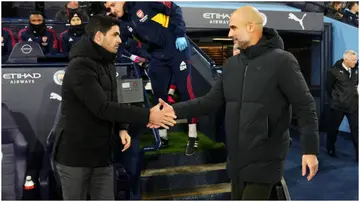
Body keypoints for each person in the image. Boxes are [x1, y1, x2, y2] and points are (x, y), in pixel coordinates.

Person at [154, 6, 320, 200]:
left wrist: (309, 150)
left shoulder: (282, 61)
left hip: (265, 159)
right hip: (236, 159)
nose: (229, 33)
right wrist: (171, 110)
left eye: (233, 27)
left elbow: (305, 105)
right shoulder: (232, 65)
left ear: (251, 26)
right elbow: (208, 102)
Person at [53, 15, 176, 200]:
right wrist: (148, 115)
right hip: (75, 157)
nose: (120, 39)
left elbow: (113, 99)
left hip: (102, 155)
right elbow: (102, 107)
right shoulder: (80, 66)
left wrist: (121, 127)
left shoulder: (108, 62)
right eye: (115, 34)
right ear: (99, 37)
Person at [105, 1, 199, 156]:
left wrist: (180, 34)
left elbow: (174, 8)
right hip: (157, 58)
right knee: (159, 96)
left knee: (186, 92)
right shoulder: (122, 24)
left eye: (113, 5)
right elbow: (118, 45)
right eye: (109, 8)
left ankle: (193, 136)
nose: (112, 10)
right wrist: (134, 57)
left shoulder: (145, 2)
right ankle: (162, 137)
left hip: (177, 50)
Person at [326, 50, 358, 160]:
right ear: (346, 60)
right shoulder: (333, 71)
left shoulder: (355, 69)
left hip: (353, 106)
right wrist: (335, 99)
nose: (356, 61)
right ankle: (330, 148)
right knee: (333, 129)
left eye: (356, 59)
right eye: (353, 60)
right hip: (338, 106)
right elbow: (328, 87)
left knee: (356, 130)